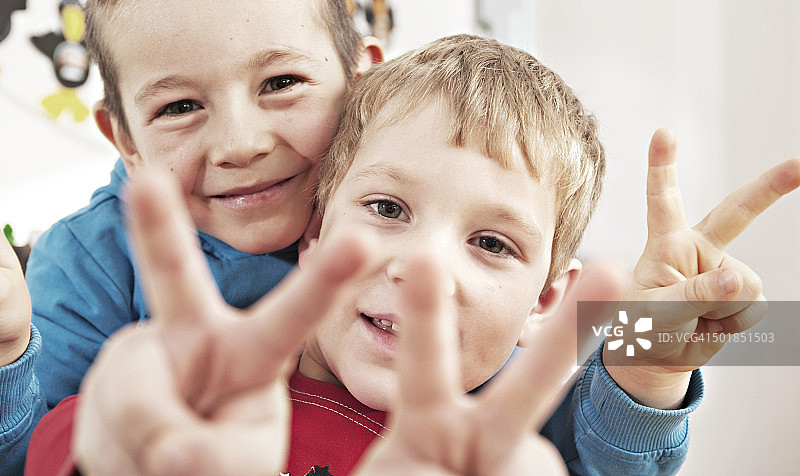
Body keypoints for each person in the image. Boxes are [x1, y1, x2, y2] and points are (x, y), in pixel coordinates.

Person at [25, 35, 800, 475]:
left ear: (544, 301)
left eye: (492, 243)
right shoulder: (196, 395)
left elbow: (610, 439)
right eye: (388, 209)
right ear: (315, 231)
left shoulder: (503, 448)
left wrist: (653, 358)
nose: (425, 268)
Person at [0, 0, 382, 473]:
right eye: (179, 107)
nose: (240, 144)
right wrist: (9, 356)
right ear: (127, 142)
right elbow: (29, 457)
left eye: (282, 83)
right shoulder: (87, 259)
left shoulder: (410, 219)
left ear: (362, 85)